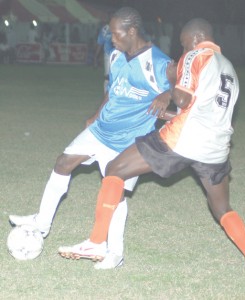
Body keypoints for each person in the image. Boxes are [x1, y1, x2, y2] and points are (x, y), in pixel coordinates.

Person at [58, 18, 245, 279]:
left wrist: (172, 80)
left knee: (115, 169)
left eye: (182, 45)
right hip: (216, 148)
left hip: (184, 140)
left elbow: (181, 97)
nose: (182, 51)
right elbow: (197, 111)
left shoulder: (194, 55)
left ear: (193, 39)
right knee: (222, 208)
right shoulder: (228, 68)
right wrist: (166, 114)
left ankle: (97, 241)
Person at [9, 7, 174, 270]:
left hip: (127, 142)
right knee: (63, 163)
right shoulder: (119, 55)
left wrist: (168, 94)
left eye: (116, 34)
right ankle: (41, 223)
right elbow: (113, 90)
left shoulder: (161, 63)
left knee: (115, 193)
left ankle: (115, 253)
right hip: (100, 130)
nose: (112, 39)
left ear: (132, 31)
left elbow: (187, 87)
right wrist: (96, 114)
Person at [93, 17, 114, 93]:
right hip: (108, 55)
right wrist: (96, 56)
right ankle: (106, 95)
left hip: (120, 55)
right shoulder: (105, 29)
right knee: (107, 77)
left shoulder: (120, 27)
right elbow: (100, 43)